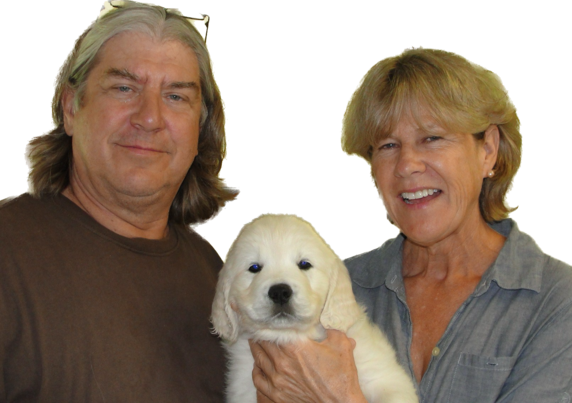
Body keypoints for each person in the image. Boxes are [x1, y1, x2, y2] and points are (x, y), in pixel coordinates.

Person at [248, 46, 572, 402]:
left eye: (432, 138)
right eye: (388, 145)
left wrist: (341, 396)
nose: (406, 165)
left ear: (488, 150)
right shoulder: (334, 287)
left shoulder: (556, 299)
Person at [0, 1, 237, 401]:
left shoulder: (215, 273)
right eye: (125, 88)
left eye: (176, 96)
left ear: (200, 130)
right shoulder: (7, 252)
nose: (149, 117)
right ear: (71, 107)